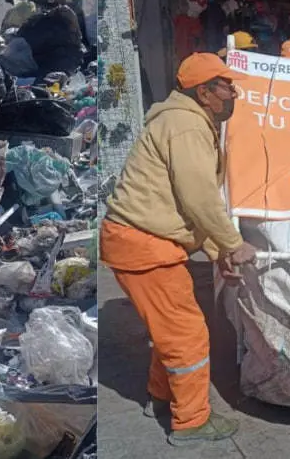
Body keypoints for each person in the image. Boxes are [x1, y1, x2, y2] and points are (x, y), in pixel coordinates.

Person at [100, 52, 257, 446]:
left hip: (147, 242)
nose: (232, 94)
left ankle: (161, 396)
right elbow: (199, 198)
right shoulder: (187, 126)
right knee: (187, 335)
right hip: (144, 244)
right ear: (204, 93)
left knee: (170, 328)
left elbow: (187, 203)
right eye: (226, 87)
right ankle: (190, 422)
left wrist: (218, 252)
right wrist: (234, 244)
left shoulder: (184, 119)